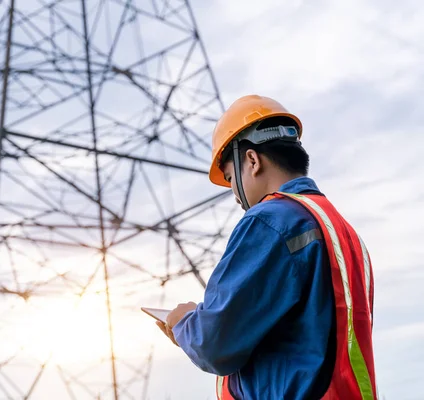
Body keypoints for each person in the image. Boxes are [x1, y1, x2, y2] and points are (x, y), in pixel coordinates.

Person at [156, 95, 377, 399]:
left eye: (232, 178)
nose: (235, 194)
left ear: (252, 161)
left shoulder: (272, 220)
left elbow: (215, 344)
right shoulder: (341, 231)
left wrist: (184, 324)